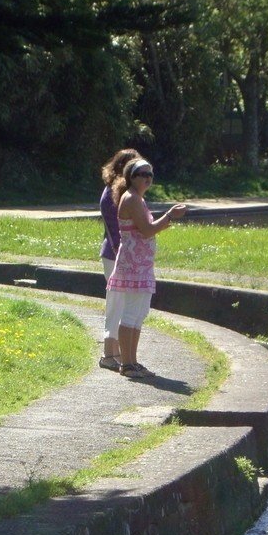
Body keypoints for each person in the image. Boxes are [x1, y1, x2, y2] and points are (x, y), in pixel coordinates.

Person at [106, 159, 187, 379]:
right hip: (133, 265)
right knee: (131, 313)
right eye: (143, 174)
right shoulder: (131, 198)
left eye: (151, 174)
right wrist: (170, 215)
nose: (148, 178)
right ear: (131, 177)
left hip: (140, 265)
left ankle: (132, 361)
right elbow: (147, 230)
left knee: (139, 314)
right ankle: (127, 364)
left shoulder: (138, 199)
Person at [98, 148, 141, 371]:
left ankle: (115, 353)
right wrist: (124, 257)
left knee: (121, 303)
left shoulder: (120, 192)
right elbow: (116, 231)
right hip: (115, 256)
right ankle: (108, 354)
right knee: (116, 303)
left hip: (120, 256)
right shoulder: (112, 193)